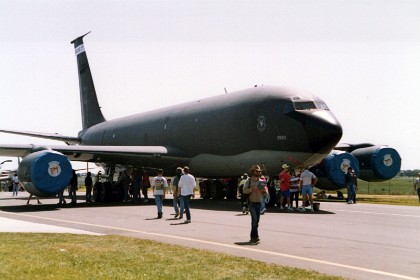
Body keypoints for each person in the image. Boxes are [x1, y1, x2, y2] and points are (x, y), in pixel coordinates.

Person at [242, 165, 266, 244]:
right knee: (254, 220)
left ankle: (255, 236)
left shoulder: (262, 182)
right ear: (253, 172)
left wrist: (264, 191)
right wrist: (252, 189)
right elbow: (244, 191)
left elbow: (266, 193)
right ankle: (254, 237)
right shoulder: (249, 181)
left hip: (258, 203)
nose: (258, 172)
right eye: (256, 171)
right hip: (251, 203)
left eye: (259, 171)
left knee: (256, 222)